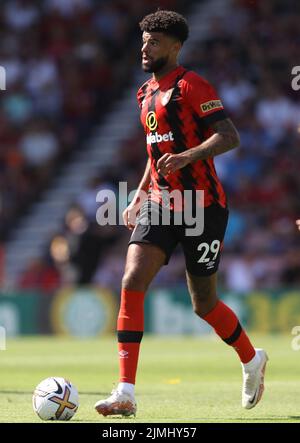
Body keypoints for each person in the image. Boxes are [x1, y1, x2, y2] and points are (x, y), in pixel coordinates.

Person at [94, 10, 268, 417]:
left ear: (175, 46)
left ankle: (251, 358)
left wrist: (186, 156)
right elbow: (154, 155)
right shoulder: (143, 94)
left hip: (202, 206)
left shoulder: (193, 85)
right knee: (132, 279)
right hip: (160, 202)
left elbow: (230, 136)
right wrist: (138, 195)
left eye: (153, 41)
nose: (145, 47)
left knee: (204, 304)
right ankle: (125, 392)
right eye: (143, 41)